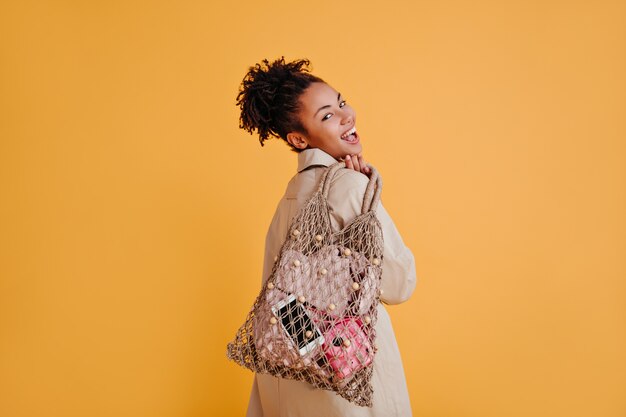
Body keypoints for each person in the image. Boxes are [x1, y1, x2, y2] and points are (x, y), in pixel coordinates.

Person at [235, 56, 417, 417]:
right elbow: (399, 285)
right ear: (298, 138)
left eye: (341, 102)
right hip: (349, 391)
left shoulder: (288, 200)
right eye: (327, 115)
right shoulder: (350, 186)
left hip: (285, 387)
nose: (346, 116)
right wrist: (369, 195)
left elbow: (283, 306)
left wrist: (314, 350)